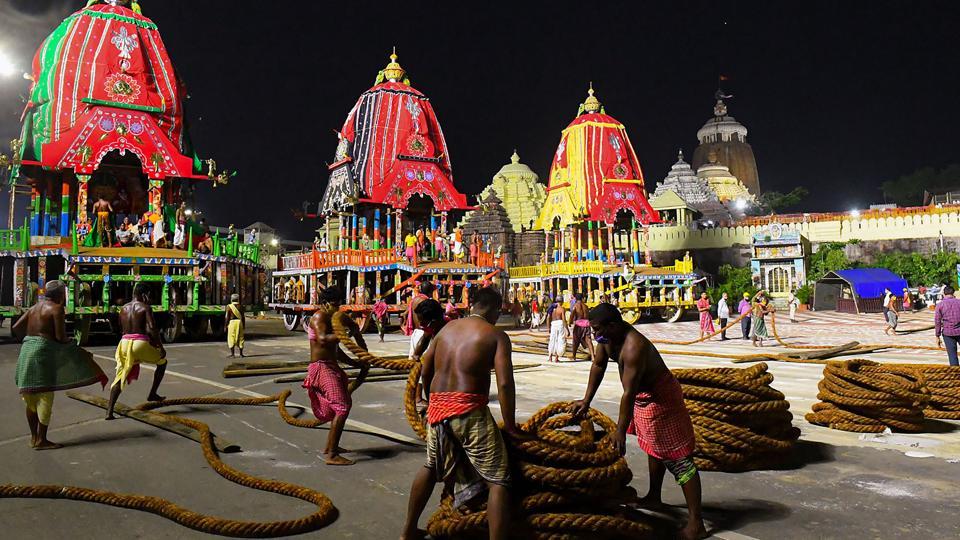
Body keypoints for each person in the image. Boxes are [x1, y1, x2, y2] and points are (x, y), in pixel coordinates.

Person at [571, 304, 705, 540]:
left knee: (678, 459)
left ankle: (696, 523)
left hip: (661, 398)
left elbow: (628, 393)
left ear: (613, 326)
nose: (594, 334)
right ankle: (654, 497)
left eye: (597, 329)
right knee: (653, 448)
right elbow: (598, 365)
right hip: (643, 397)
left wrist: (620, 431)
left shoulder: (634, 347)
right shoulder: (606, 337)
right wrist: (586, 400)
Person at [401, 287, 523, 540]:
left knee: (430, 466)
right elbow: (504, 384)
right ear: (495, 310)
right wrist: (510, 425)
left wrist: (429, 400)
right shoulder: (496, 335)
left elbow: (425, 369)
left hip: (438, 409)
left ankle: (408, 531)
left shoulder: (445, 330)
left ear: (472, 306)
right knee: (498, 480)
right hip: (468, 409)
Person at [13, 281, 107, 449]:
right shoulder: (56, 309)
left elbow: (16, 327)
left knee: (30, 398)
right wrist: (77, 350)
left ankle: (33, 438)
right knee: (45, 397)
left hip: (27, 351)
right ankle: (42, 440)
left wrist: (30, 339)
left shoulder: (34, 308)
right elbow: (60, 337)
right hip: (42, 354)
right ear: (61, 295)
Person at [304, 286, 365, 465]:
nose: (337, 308)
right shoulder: (319, 317)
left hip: (331, 366)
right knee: (341, 406)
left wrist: (356, 363)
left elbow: (336, 351)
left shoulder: (332, 318)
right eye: (334, 305)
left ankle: (331, 446)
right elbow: (323, 339)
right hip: (321, 367)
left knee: (343, 404)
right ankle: (332, 454)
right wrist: (346, 334)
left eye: (339, 305)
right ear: (325, 303)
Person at [106, 283, 168, 420]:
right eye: (149, 296)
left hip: (123, 343)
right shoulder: (145, 307)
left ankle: (109, 411)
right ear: (145, 295)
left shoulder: (123, 308)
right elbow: (152, 328)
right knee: (162, 362)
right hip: (140, 344)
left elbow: (118, 328)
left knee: (120, 376)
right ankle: (152, 393)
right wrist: (160, 347)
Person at [935, 285, 960, 366]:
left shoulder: (940, 305)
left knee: (952, 355)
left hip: (948, 333)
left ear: (944, 293)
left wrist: (937, 335)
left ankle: (955, 372)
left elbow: (937, 321)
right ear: (953, 293)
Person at [569, 292, 593, 361]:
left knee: (575, 341)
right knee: (589, 341)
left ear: (576, 299)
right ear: (582, 298)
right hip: (586, 324)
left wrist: (570, 322)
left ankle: (574, 356)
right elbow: (588, 316)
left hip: (579, 324)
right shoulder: (586, 306)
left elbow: (572, 314)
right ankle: (593, 357)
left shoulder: (575, 306)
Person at [547, 298, 568, 363]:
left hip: (553, 324)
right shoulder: (562, 309)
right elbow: (564, 320)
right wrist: (567, 329)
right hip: (560, 324)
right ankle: (556, 358)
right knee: (560, 340)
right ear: (562, 301)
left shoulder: (552, 308)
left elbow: (548, 317)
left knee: (552, 340)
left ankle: (550, 357)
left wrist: (548, 328)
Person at [226, 293, 245, 358]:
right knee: (241, 337)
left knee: (231, 337)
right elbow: (243, 317)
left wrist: (226, 325)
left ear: (231, 299)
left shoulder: (229, 306)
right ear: (238, 299)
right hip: (240, 322)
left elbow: (227, 317)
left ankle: (232, 354)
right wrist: (243, 325)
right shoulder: (241, 306)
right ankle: (241, 354)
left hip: (232, 322)